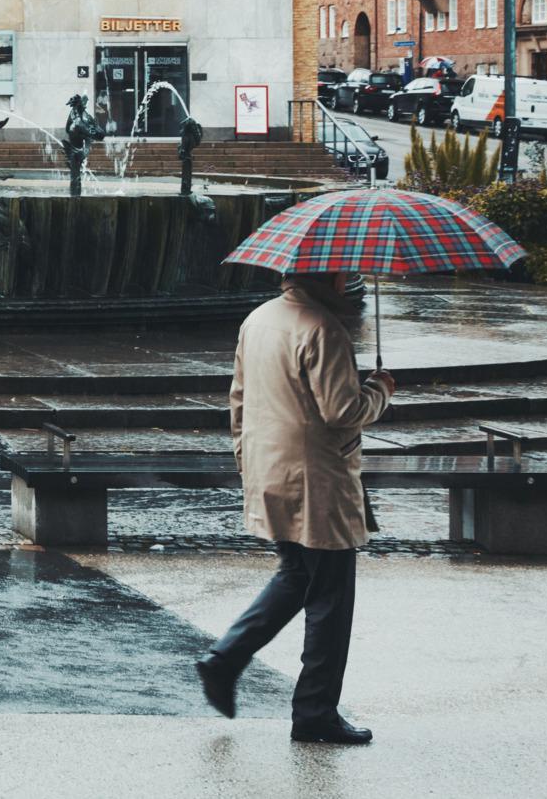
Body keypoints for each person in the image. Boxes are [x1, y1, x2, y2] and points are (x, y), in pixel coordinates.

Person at [195, 272, 395, 743]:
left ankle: (224, 660)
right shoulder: (323, 328)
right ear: (322, 275)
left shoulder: (259, 319)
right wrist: (381, 388)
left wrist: (249, 466)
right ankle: (315, 714)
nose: (348, 281)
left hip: (271, 468)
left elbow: (238, 401)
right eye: (343, 273)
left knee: (296, 576)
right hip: (317, 481)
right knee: (330, 598)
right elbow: (342, 411)